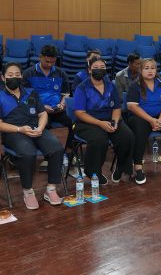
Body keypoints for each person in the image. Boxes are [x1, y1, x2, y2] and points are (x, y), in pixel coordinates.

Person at [0, 62, 64, 210]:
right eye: (10, 75)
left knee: (57, 148)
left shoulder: (31, 92)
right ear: (3, 77)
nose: (14, 77)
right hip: (14, 132)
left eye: (17, 74)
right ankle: (28, 191)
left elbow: (42, 114)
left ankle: (51, 189)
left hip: (36, 129)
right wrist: (20, 129)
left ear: (22, 76)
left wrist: (40, 128)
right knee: (28, 153)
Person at [74, 57, 134, 185]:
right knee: (99, 139)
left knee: (127, 136)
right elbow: (79, 113)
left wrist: (115, 122)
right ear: (89, 70)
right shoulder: (82, 87)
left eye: (102, 67)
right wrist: (100, 123)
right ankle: (94, 173)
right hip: (88, 122)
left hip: (109, 119)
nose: (99, 70)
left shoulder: (111, 86)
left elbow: (116, 108)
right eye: (96, 67)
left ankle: (121, 167)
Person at [126, 58, 161, 184]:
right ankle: (138, 167)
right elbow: (132, 106)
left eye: (153, 68)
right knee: (139, 131)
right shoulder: (135, 85)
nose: (150, 71)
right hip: (140, 116)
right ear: (141, 70)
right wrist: (151, 120)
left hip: (160, 116)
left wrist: (160, 119)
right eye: (146, 68)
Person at [23, 44, 74, 151]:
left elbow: (66, 94)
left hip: (57, 110)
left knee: (74, 122)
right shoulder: (28, 73)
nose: (50, 64)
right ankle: (45, 152)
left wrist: (62, 104)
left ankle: (69, 151)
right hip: (38, 111)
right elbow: (25, 98)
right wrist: (42, 107)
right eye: (47, 61)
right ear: (40, 57)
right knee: (41, 127)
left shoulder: (61, 73)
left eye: (53, 62)